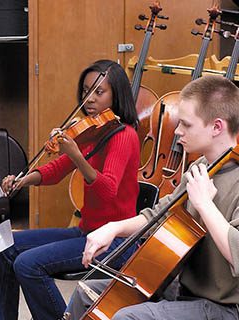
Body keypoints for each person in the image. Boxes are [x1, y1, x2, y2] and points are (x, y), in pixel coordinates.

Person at [65, 75, 239, 319]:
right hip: (185, 291)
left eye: (186, 125)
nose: (177, 131)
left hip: (225, 307)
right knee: (87, 294)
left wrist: (204, 205)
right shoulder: (200, 168)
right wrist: (113, 228)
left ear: (217, 127)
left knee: (128, 318)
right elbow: (156, 215)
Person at [0, 60, 141, 320]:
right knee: (4, 245)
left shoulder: (124, 136)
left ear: (117, 95)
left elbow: (108, 190)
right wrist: (23, 180)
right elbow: (56, 169)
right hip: (86, 231)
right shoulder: (92, 131)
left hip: (115, 241)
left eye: (98, 92)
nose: (88, 99)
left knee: (28, 264)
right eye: (85, 91)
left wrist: (78, 156)